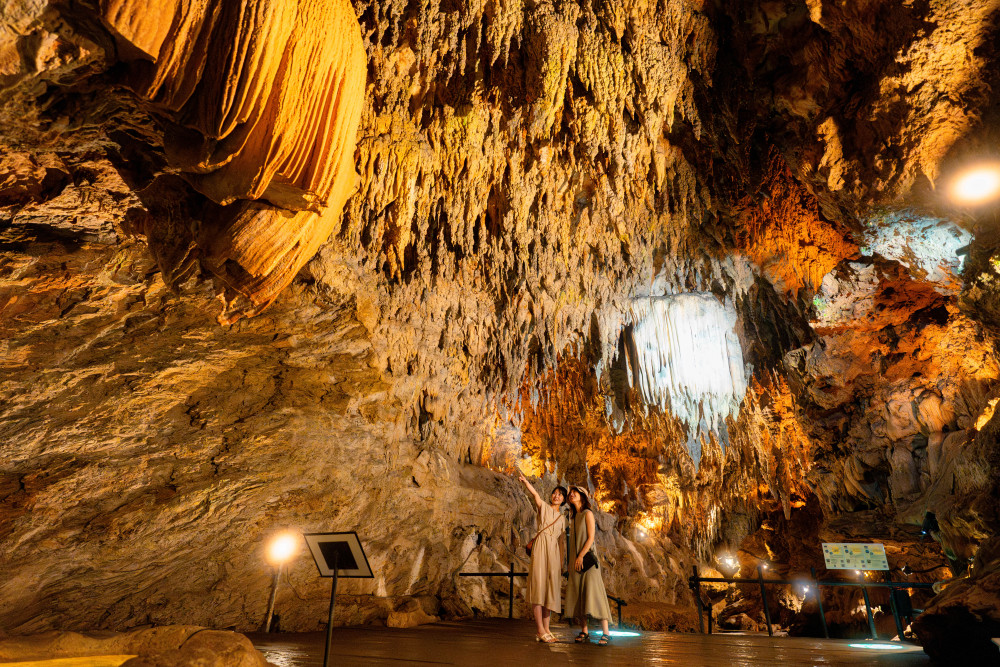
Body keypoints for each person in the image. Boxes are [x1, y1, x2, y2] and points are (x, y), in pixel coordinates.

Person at [517, 472, 566, 642]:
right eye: (555, 493)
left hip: (552, 552)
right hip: (540, 548)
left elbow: (561, 543)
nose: (556, 496)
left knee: (550, 589)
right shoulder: (544, 507)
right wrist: (525, 481)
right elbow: (535, 494)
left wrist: (560, 563)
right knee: (538, 587)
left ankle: (547, 628)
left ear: (563, 500)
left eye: (560, 495)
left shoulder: (562, 519)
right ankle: (539, 629)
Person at [563, 486, 614, 645]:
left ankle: (606, 632)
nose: (571, 494)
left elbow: (591, 537)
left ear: (583, 496)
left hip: (588, 561)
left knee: (595, 593)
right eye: (570, 493)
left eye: (575, 493)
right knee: (578, 594)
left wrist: (580, 556)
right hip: (576, 562)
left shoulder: (588, 514)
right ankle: (584, 630)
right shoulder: (573, 517)